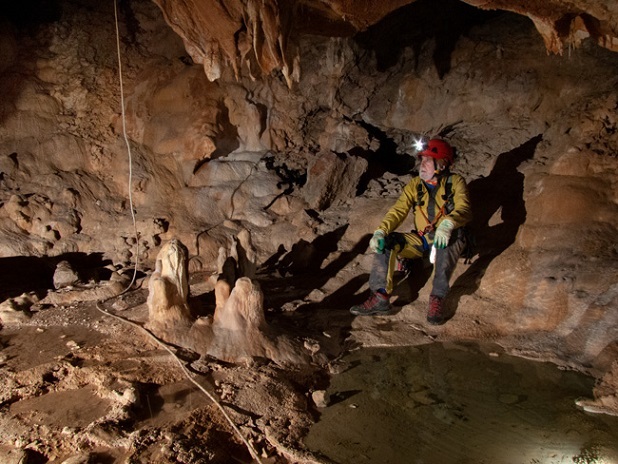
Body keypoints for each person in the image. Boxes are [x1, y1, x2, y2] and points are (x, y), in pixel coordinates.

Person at [350, 138, 472, 324]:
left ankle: (437, 299)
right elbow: (398, 210)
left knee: (447, 241)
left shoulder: (455, 182)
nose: (421, 165)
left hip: (448, 237)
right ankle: (380, 297)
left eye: (427, 161)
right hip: (422, 240)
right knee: (388, 242)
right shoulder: (415, 184)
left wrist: (448, 224)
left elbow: (464, 208)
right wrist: (381, 231)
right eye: (421, 160)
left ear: (442, 163)